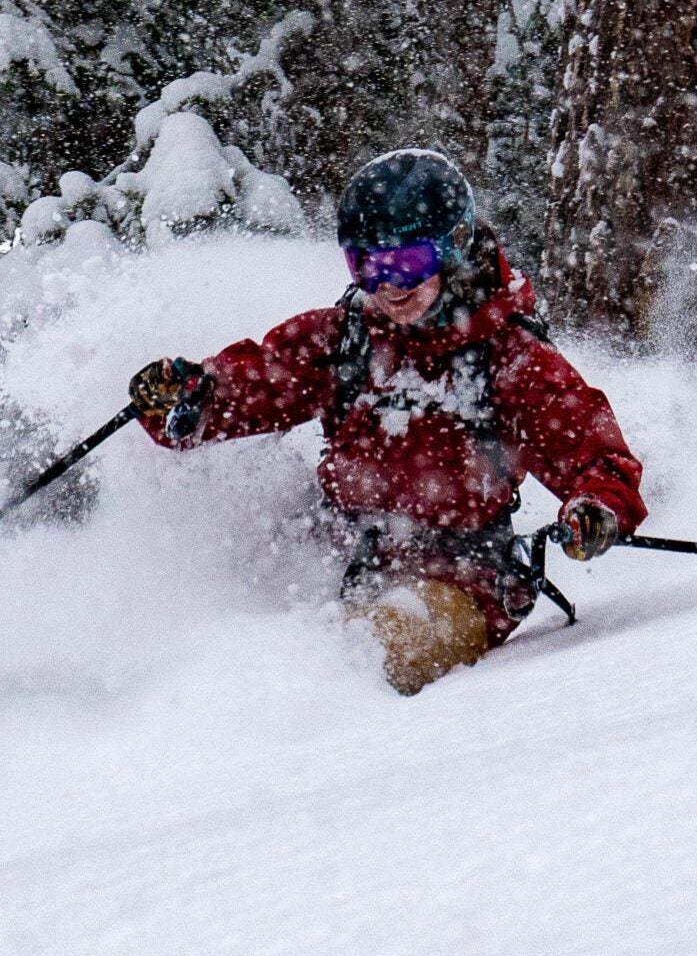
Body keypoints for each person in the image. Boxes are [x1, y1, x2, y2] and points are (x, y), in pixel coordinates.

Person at [127, 149, 647, 694]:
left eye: (409, 264)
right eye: (367, 267)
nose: (389, 287)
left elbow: (594, 454)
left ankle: (321, 744)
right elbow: (254, 385)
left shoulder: (507, 356)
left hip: (462, 582)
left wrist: (596, 508)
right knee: (238, 647)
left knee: (371, 654)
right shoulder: (345, 338)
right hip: (339, 563)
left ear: (457, 244)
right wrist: (189, 397)